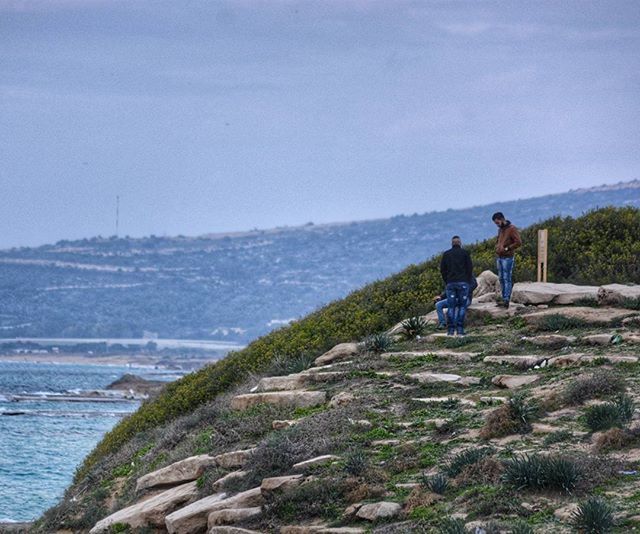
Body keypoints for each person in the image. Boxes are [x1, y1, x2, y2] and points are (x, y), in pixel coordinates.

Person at [440, 236, 474, 336]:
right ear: (460, 243)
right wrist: (467, 280)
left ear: (452, 243)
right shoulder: (465, 253)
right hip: (463, 283)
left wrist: (447, 281)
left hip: (450, 283)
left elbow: (442, 270)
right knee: (462, 307)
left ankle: (450, 330)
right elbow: (470, 268)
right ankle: (460, 330)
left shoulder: (446, 254)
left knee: (451, 307)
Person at [492, 212, 522, 308]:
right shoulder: (500, 230)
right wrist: (497, 247)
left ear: (502, 219)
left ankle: (506, 299)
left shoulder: (512, 229)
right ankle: (503, 298)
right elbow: (499, 241)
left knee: (506, 278)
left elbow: (518, 242)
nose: (497, 225)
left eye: (497, 222)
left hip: (507, 257)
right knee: (501, 278)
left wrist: (507, 248)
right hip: (500, 257)